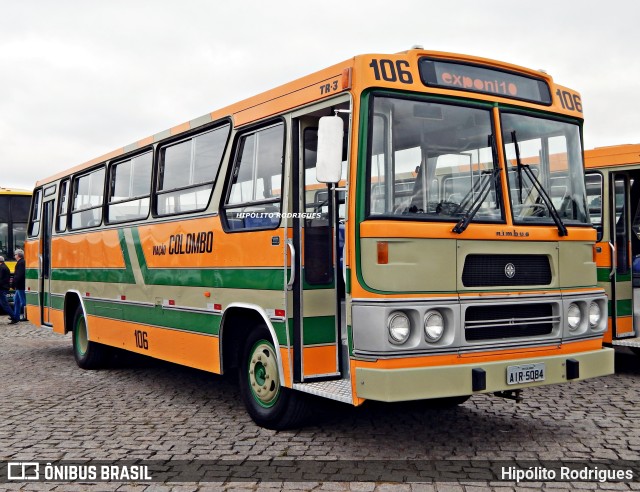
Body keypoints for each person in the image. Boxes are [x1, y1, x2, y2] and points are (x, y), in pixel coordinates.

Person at [0, 256, 18, 323]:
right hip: (4, 288)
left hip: (2, 289)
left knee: (4, 304)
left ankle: (14, 317)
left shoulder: (2, 268)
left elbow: (1, 279)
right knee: (3, 304)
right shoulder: (4, 267)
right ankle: (14, 317)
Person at [12, 249, 25, 322]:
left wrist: (14, 283)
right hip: (19, 285)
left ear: (18, 255)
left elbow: (19, 275)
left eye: (15, 255)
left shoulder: (20, 263)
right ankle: (16, 316)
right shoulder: (21, 262)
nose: (14, 256)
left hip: (20, 285)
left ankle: (26, 315)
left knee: (23, 301)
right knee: (16, 300)